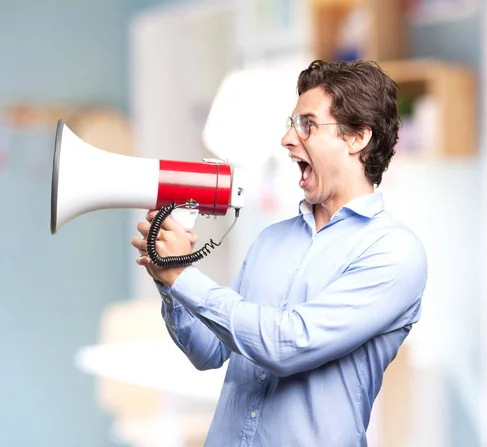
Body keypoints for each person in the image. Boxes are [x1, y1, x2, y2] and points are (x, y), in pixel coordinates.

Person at [131, 59, 427, 447]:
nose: (288, 140)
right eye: (291, 125)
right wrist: (167, 278)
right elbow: (207, 352)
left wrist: (184, 276)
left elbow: (286, 346)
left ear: (358, 138)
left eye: (306, 124)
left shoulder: (393, 253)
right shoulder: (272, 240)